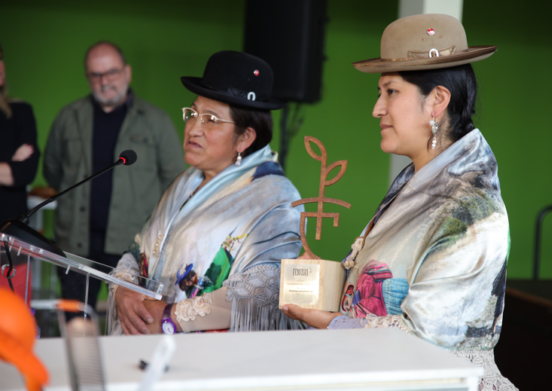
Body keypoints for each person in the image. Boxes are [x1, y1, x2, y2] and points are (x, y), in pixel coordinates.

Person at [282, 14, 517, 390]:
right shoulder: (419, 181)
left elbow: (424, 340)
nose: (377, 108)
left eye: (390, 92)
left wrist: (326, 320)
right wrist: (327, 277)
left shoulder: (472, 210)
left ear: (437, 100)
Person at [107, 51, 304, 335]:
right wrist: (124, 291)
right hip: (150, 344)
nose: (193, 129)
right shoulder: (184, 183)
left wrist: (170, 317)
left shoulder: (275, 198)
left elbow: (265, 290)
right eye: (192, 113)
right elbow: (137, 252)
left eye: (211, 119)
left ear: (245, 137)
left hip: (210, 360)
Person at [43, 41, 185, 313]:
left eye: (112, 72)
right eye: (96, 75)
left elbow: (174, 181)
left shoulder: (155, 121)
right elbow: (53, 170)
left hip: (130, 248)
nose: (104, 81)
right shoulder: (68, 117)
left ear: (127, 73)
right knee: (76, 319)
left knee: (129, 321)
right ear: (88, 77)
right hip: (75, 242)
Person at [0, 43, 40, 223]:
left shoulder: (21, 112)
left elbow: (25, 171)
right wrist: (9, 161)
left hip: (10, 227)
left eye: (0, 58)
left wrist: (14, 168)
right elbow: (12, 172)